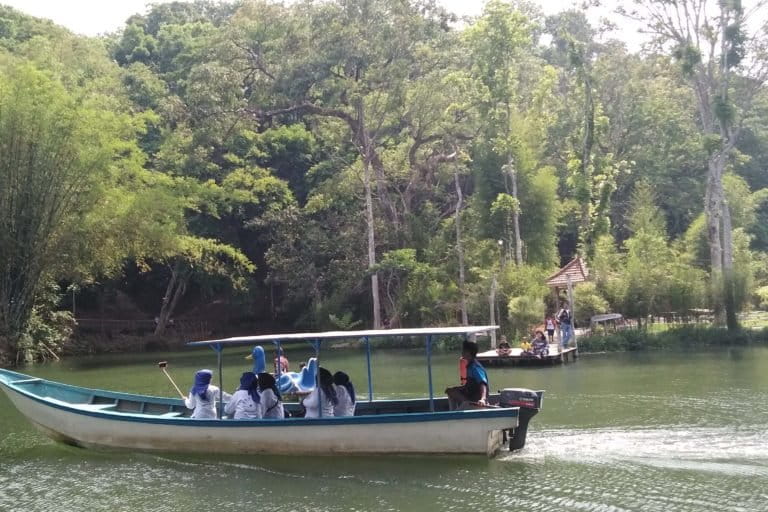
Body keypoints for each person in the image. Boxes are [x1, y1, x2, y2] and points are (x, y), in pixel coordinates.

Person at [445, 340, 489, 410]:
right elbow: (469, 386)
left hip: (477, 401)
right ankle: (454, 411)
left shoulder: (475, 367)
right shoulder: (469, 366)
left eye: (464, 350)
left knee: (452, 391)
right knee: (450, 390)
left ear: (468, 352)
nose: (462, 352)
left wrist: (483, 399)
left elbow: (483, 384)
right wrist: (456, 388)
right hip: (470, 395)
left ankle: (466, 406)